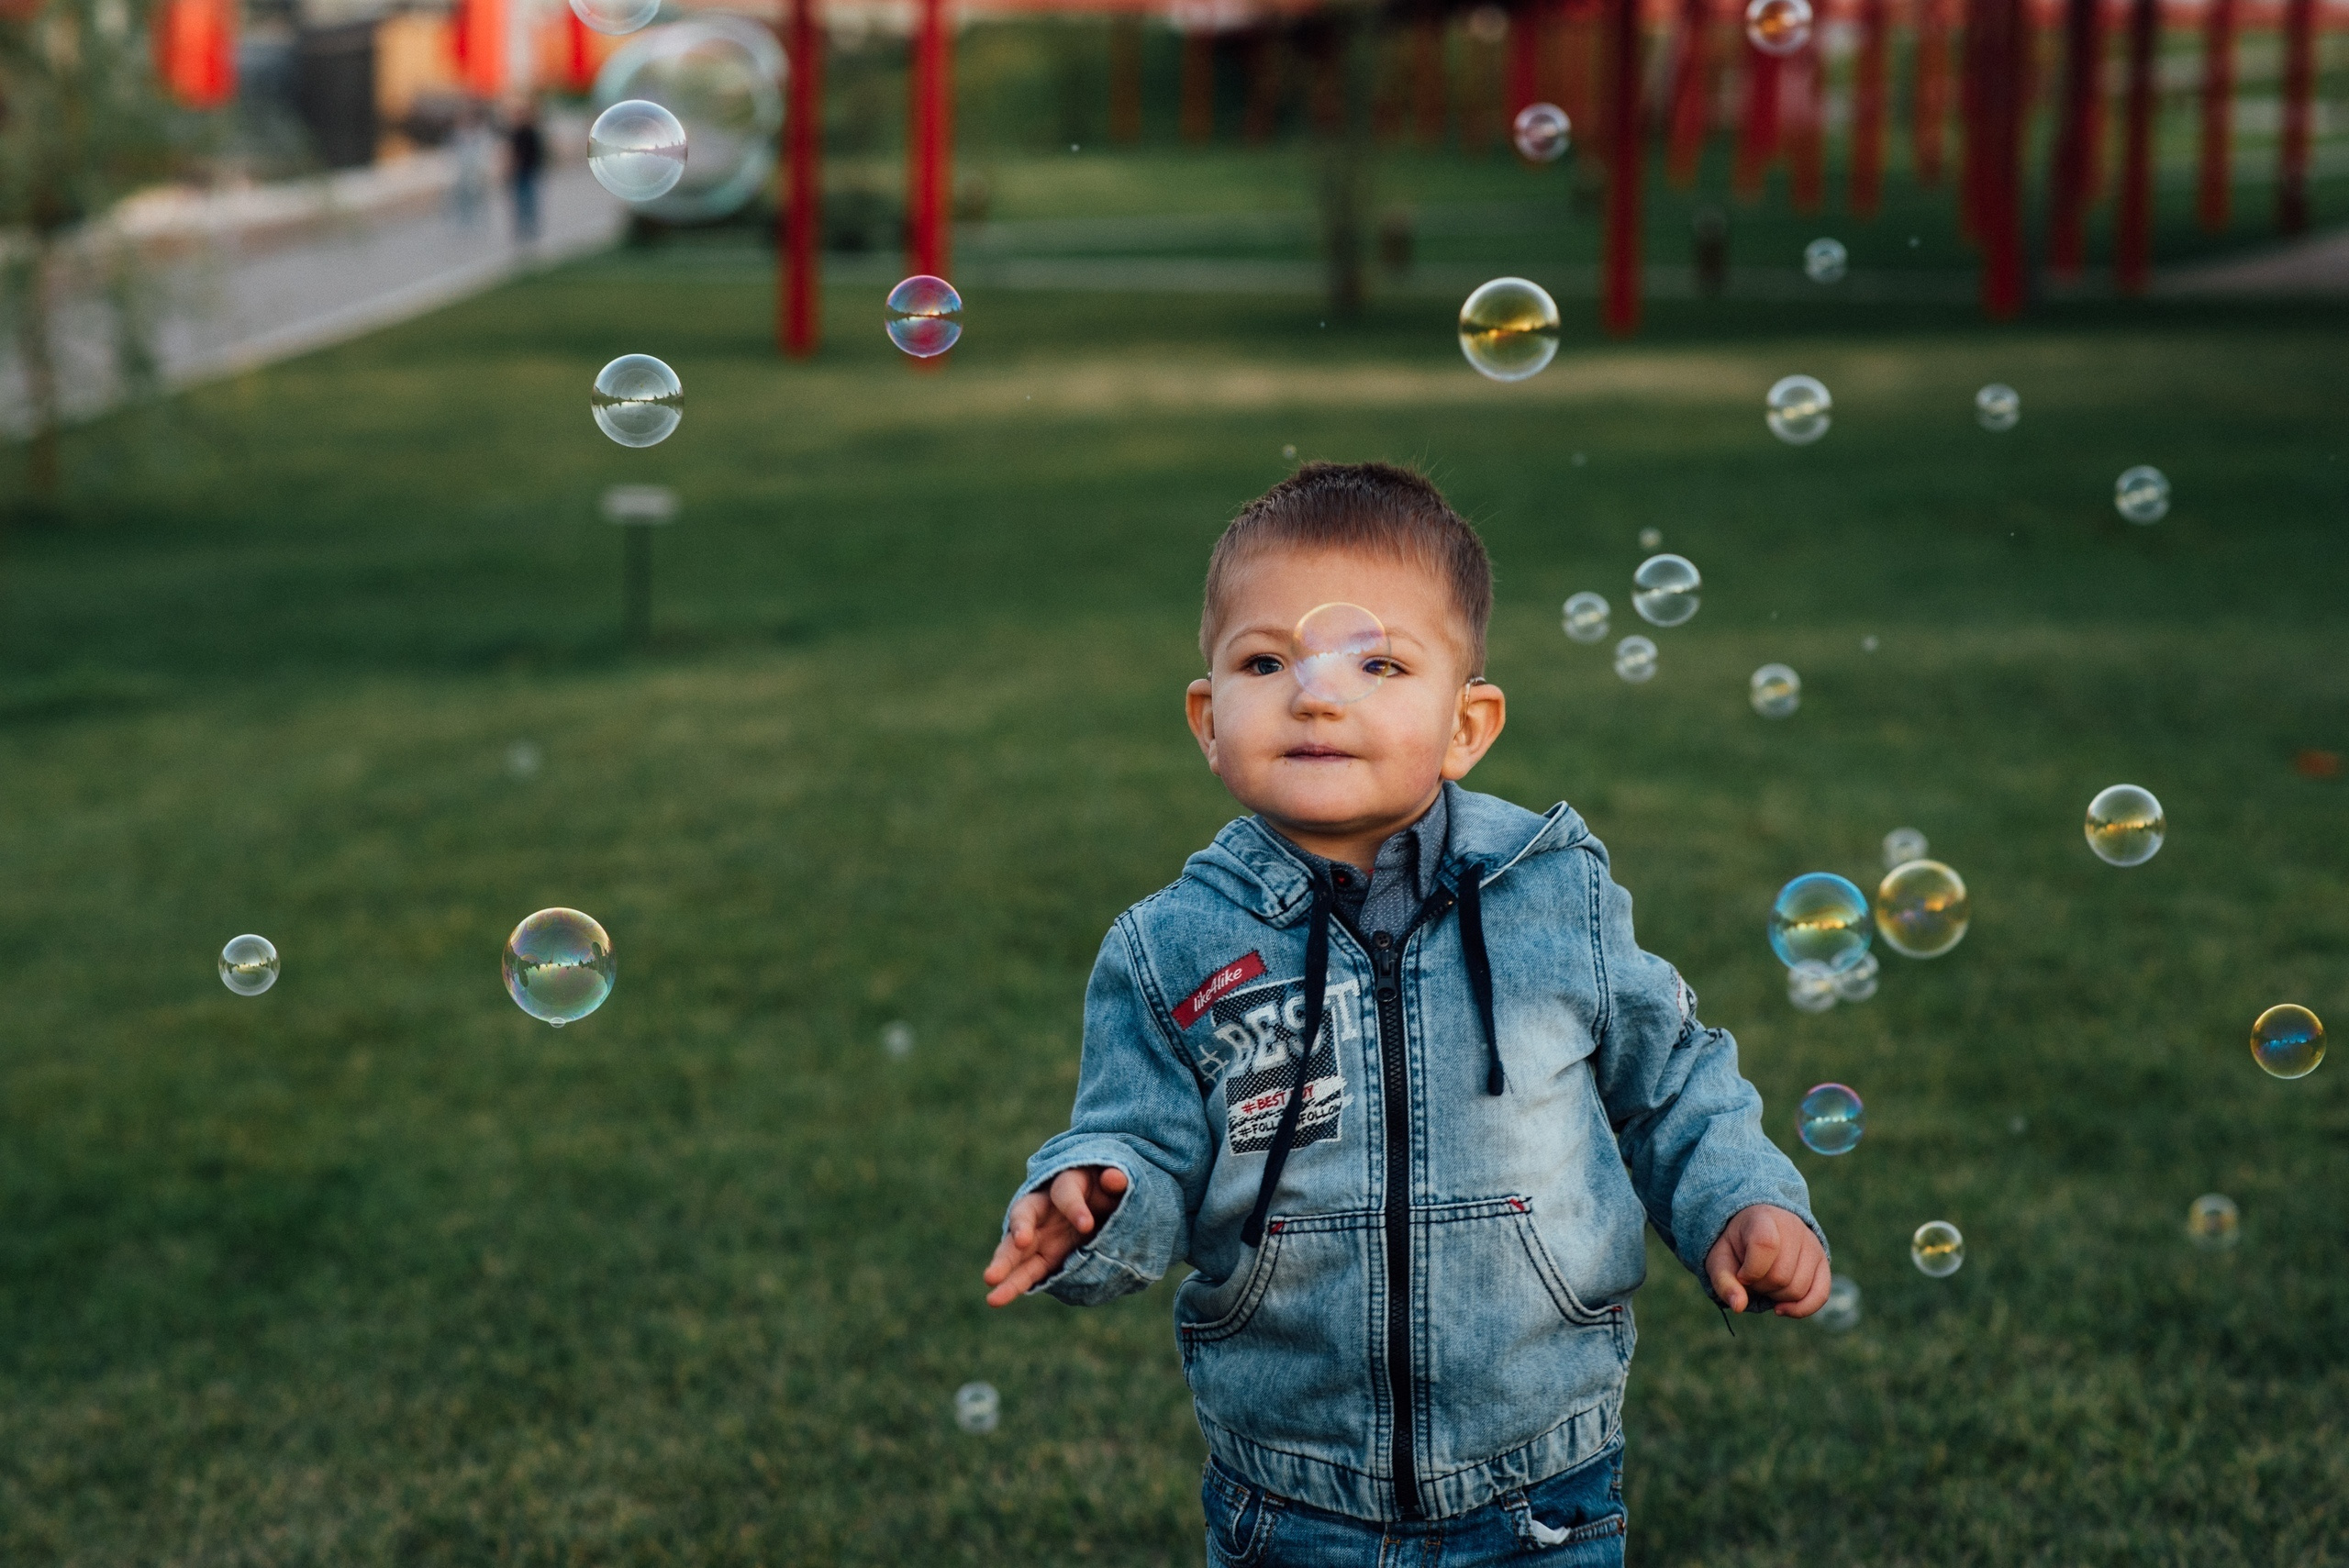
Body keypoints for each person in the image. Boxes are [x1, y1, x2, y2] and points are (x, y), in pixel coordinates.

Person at [982, 462, 1830, 1565]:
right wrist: (1095, 1194)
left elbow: (1669, 1080)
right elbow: (1141, 1140)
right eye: (1264, 660)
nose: (1316, 695)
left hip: (1543, 1484)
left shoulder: (1551, 893)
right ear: (1207, 717)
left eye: (1377, 662)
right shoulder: (1173, 944)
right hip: (1288, 1493)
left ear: (1466, 724)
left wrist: (1744, 1200)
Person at [507, 102, 546, 243]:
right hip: (521, 171)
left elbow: (536, 152)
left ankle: (529, 226)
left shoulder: (529, 132)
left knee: (528, 199)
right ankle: (523, 227)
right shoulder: (517, 133)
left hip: (528, 170)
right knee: (521, 200)